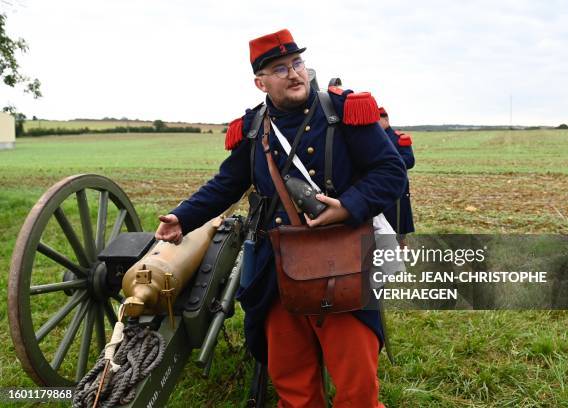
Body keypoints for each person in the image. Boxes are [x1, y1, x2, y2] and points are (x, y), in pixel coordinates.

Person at [155, 29, 406, 407]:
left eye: (297, 63)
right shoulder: (254, 127)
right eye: (280, 68)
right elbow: (226, 184)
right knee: (292, 381)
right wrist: (182, 217)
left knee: (356, 385)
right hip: (276, 267)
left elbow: (390, 172)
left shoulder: (344, 111)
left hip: (341, 261)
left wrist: (347, 206)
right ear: (260, 82)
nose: (294, 74)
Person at [378, 107, 415, 242]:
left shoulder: (400, 138)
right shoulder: (372, 138)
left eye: (377, 120)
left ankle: (400, 244)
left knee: (398, 221)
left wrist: (389, 164)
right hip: (378, 185)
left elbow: (409, 161)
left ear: (386, 119)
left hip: (396, 185)